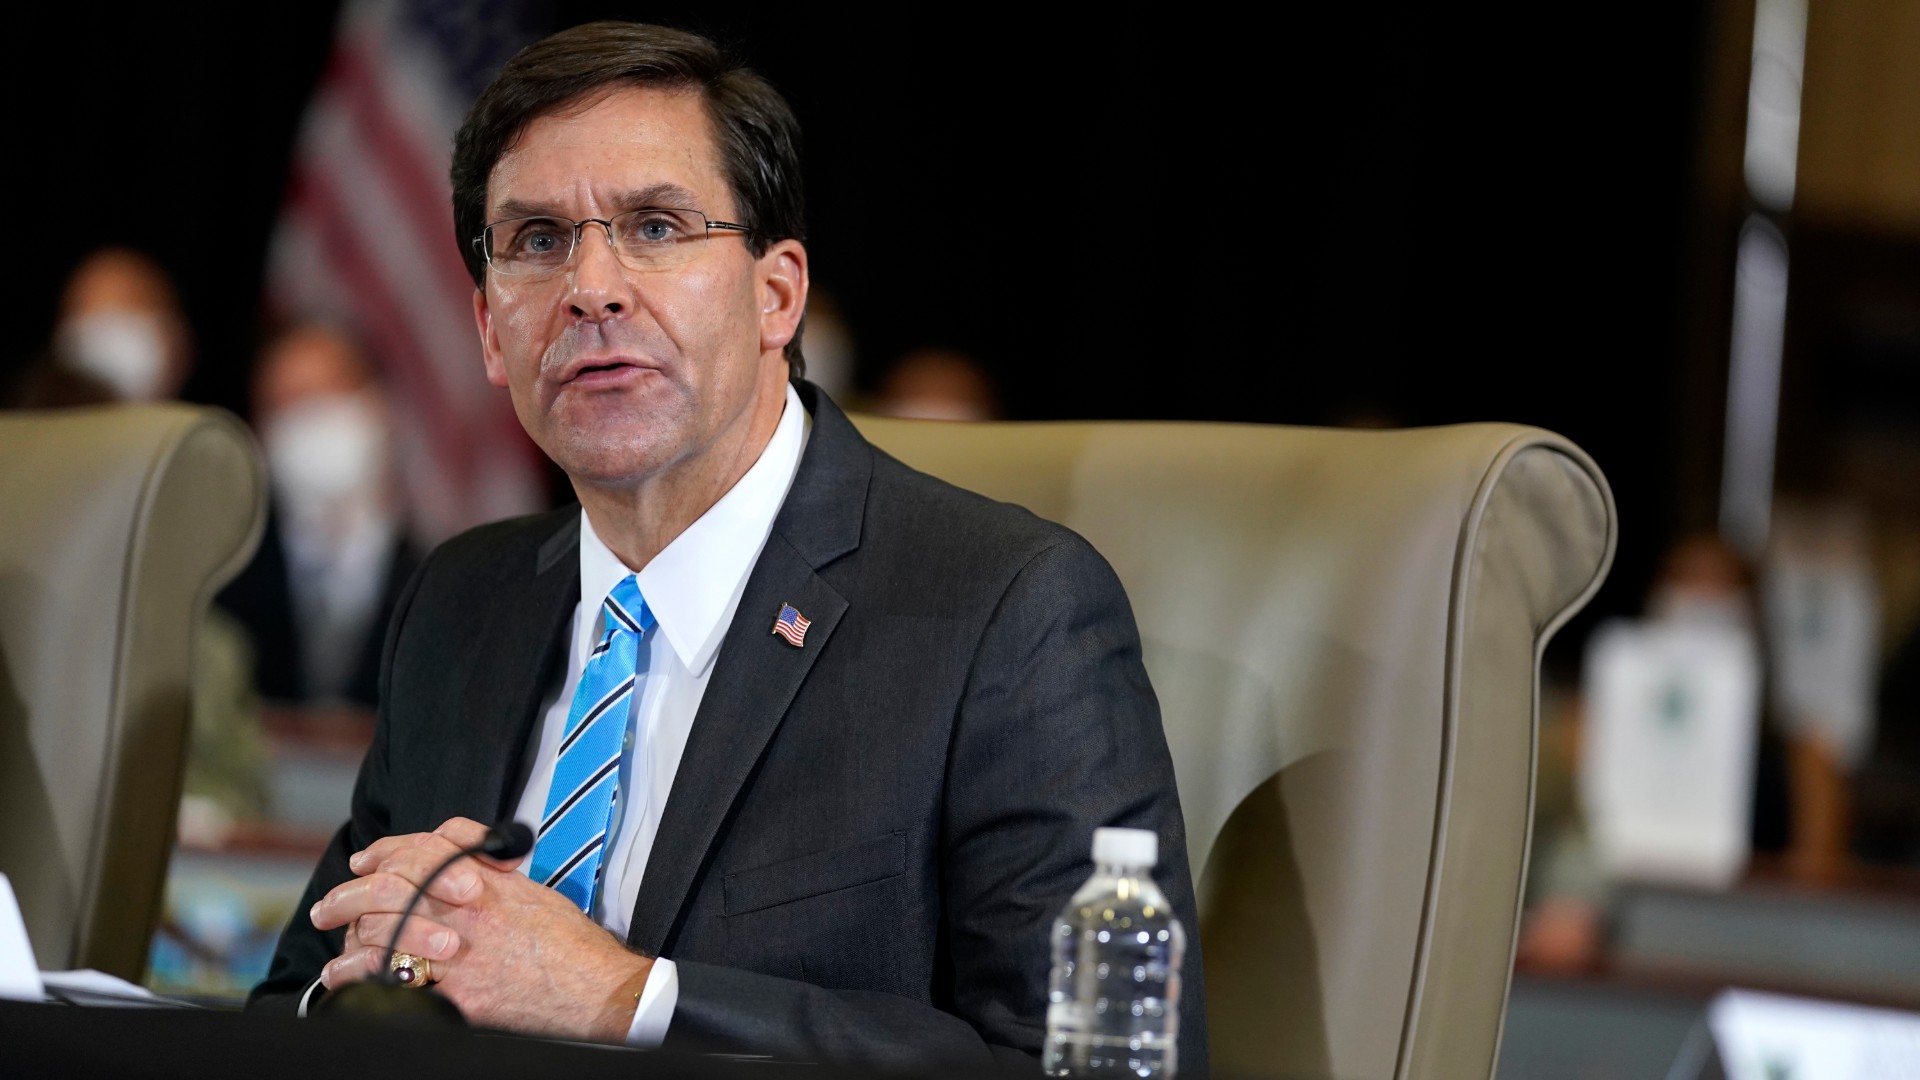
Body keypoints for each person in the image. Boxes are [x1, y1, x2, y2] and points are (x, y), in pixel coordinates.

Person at [249, 20, 1206, 1072]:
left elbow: (1086, 1063)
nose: (591, 288)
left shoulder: (1004, 614)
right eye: (535, 240)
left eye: (656, 227)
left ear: (776, 294)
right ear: (486, 328)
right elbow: (296, 999)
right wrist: (388, 979)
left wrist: (627, 998)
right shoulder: (461, 601)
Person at [218, 322, 420, 713]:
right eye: (287, 404)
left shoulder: (446, 585)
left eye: (329, 394)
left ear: (381, 408)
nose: (309, 419)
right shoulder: (222, 595)